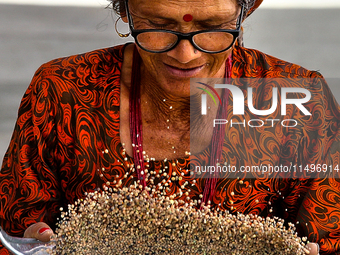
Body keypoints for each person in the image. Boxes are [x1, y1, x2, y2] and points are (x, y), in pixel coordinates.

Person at [0, 0, 339, 254]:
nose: (186, 54)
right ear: (125, 11)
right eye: (158, 25)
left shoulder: (300, 102)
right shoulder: (63, 92)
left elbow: (329, 237)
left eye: (212, 26)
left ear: (244, 12)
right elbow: (14, 229)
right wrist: (27, 244)